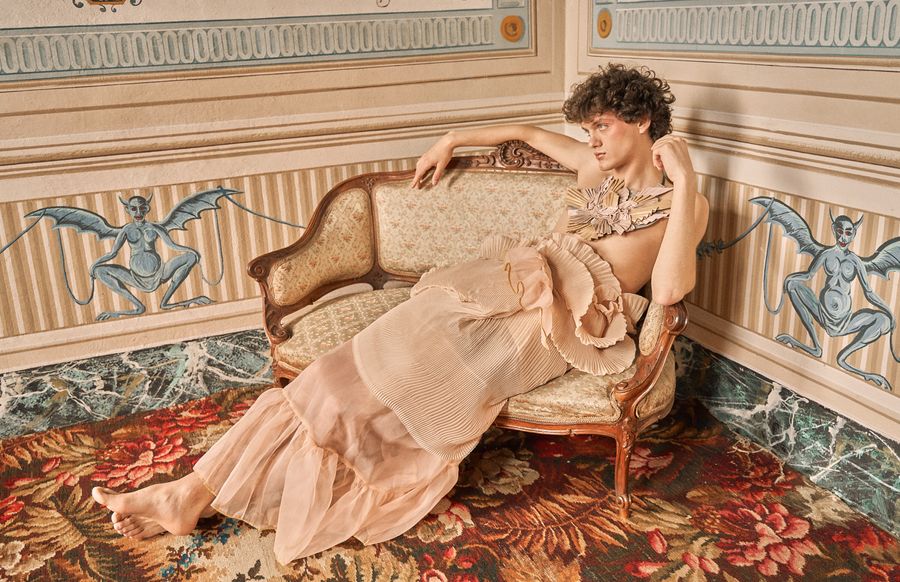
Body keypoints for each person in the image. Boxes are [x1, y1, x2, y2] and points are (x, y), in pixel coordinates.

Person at [91, 63, 709, 565]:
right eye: (588, 128)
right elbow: (522, 131)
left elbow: (671, 288)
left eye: (602, 126)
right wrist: (451, 139)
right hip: (494, 288)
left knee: (374, 390)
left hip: (546, 330)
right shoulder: (593, 168)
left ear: (642, 121)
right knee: (332, 374)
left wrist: (684, 182)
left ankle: (193, 494)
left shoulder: (682, 202)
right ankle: (190, 492)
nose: (592, 139)